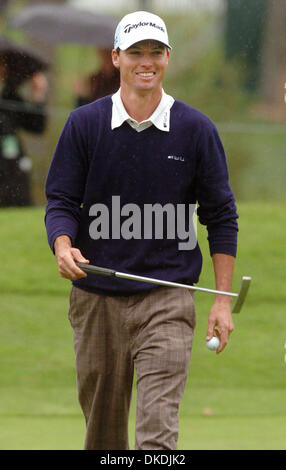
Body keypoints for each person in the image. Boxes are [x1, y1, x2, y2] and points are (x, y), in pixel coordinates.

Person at [45, 11, 239, 450]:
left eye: (155, 52)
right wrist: (62, 244)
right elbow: (60, 201)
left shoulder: (196, 130)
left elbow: (221, 216)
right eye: (135, 52)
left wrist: (222, 301)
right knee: (104, 437)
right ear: (116, 57)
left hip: (167, 298)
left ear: (167, 58)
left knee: (157, 435)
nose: (145, 61)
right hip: (96, 298)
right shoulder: (85, 125)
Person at [0, 55, 48, 206]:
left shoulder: (9, 95)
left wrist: (38, 96)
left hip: (11, 164)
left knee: (16, 198)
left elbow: (36, 126)